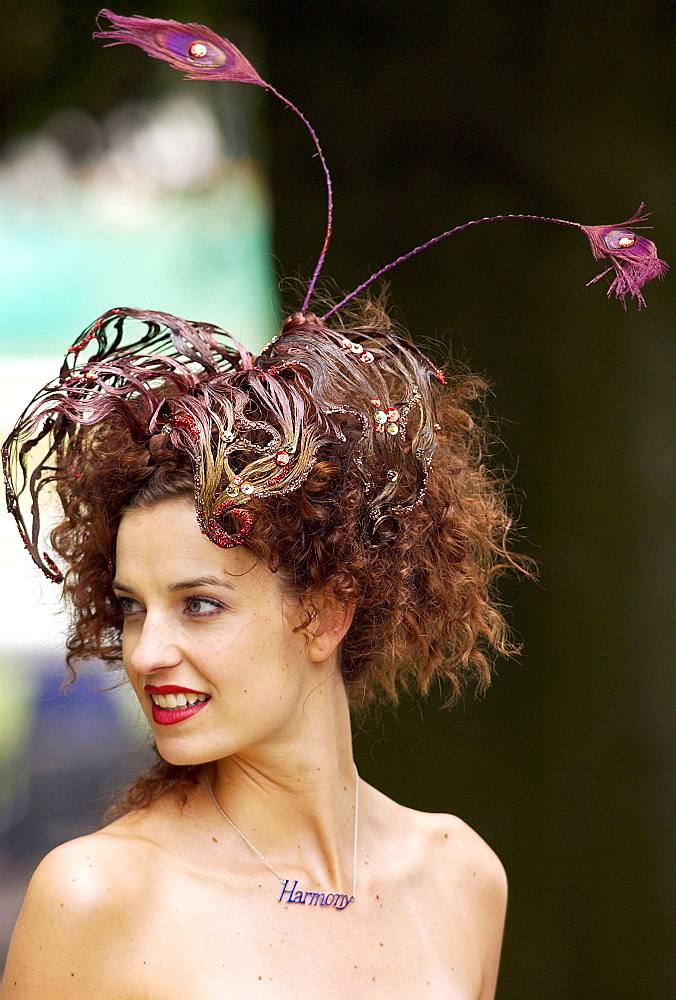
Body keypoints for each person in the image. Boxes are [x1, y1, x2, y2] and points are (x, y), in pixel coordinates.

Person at [0, 12, 664, 999]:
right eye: (133, 606)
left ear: (326, 607)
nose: (146, 653)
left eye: (200, 603)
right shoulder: (96, 897)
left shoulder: (461, 876)